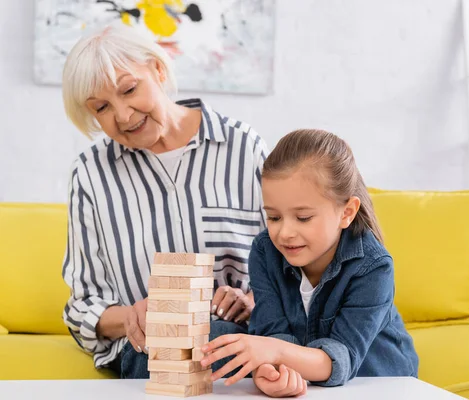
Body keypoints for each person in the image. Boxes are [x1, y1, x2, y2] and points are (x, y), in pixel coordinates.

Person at [60, 24, 268, 378]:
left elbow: (294, 266)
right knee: (194, 344)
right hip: (150, 350)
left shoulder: (244, 148)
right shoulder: (91, 175)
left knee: (229, 342)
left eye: (129, 89)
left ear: (157, 69)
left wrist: (252, 303)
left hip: (248, 341)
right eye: (103, 108)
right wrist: (130, 317)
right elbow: (83, 307)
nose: (123, 115)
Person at [199, 129, 419, 397]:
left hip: (379, 384)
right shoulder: (264, 251)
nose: (285, 233)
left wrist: (275, 352)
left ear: (346, 213)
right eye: (274, 217)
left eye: (303, 218)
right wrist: (269, 371)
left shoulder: (373, 266)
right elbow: (272, 333)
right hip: (309, 383)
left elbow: (342, 357)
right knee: (214, 334)